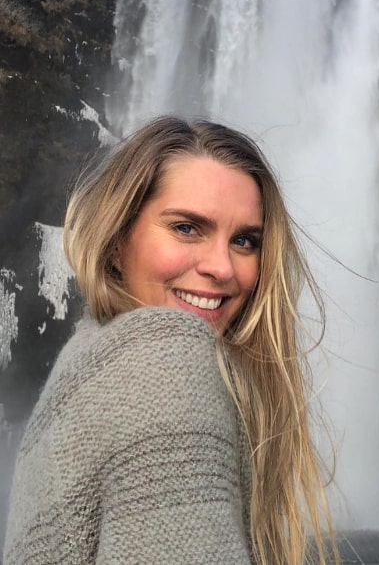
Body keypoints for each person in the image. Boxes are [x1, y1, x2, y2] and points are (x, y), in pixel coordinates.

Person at [4, 116, 337, 565]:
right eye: (186, 228)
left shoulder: (83, 363)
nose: (222, 267)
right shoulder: (168, 362)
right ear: (117, 238)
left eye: (244, 240)